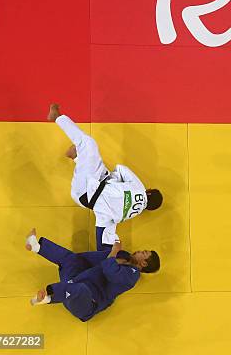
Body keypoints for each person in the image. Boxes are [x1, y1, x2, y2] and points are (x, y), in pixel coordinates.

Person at [47, 104, 163, 250]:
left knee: (88, 144)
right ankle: (77, 158)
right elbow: (104, 226)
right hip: (84, 197)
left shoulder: (140, 189)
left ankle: (57, 118)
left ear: (150, 191)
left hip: (92, 185)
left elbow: (121, 168)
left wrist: (114, 182)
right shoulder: (128, 215)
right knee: (101, 171)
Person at [25, 228, 160, 321]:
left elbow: (110, 272)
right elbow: (100, 256)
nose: (140, 251)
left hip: (86, 303)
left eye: (144, 253)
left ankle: (47, 298)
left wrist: (113, 252)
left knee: (80, 289)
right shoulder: (123, 255)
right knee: (72, 259)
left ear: (144, 264)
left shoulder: (132, 276)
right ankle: (36, 247)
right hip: (77, 279)